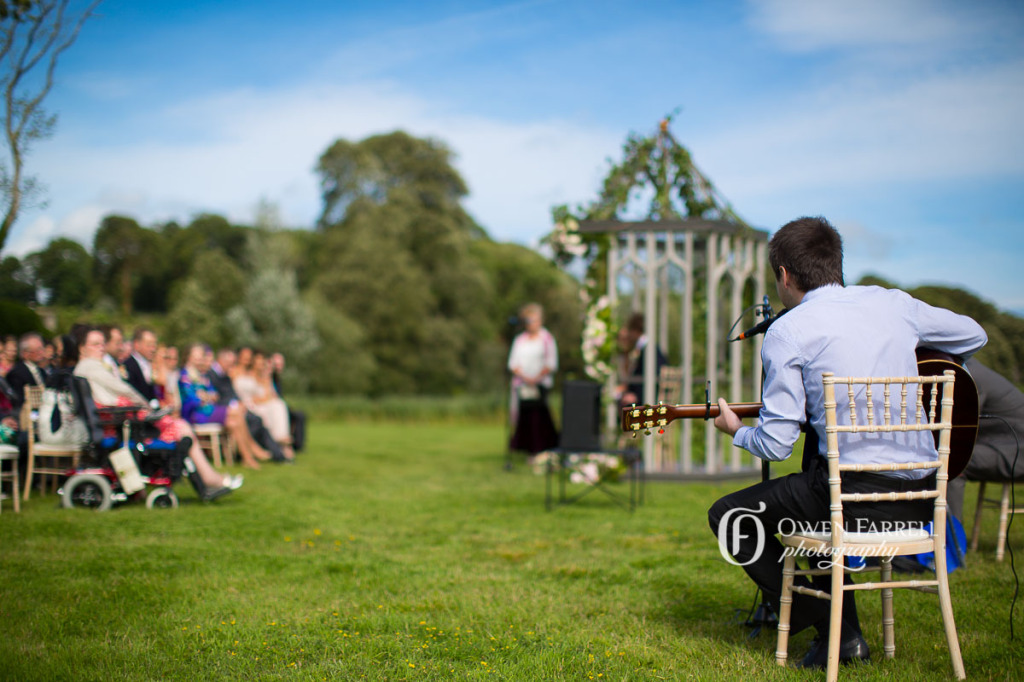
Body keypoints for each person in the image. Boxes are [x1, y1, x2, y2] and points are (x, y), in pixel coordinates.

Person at [707, 217, 987, 670]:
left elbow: (777, 443)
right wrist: (922, 360)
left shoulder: (788, 331)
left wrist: (734, 429)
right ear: (836, 263)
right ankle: (843, 632)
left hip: (849, 501)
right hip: (920, 499)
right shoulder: (893, 304)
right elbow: (974, 334)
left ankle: (831, 625)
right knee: (811, 480)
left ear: (783, 275)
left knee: (732, 516)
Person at [73, 328, 241, 493]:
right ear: (82, 348)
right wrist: (144, 406)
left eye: (102, 343)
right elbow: (123, 392)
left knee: (182, 428)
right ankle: (208, 479)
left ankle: (207, 479)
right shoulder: (92, 367)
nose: (101, 347)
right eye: (95, 344)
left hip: (123, 421)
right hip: (122, 426)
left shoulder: (92, 367)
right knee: (183, 430)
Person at [947, 358, 1024, 521]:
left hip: (1017, 453)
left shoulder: (969, 376)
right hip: (1003, 446)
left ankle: (950, 540)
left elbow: (957, 425)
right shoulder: (966, 367)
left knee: (950, 462)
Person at [179, 343, 271, 470]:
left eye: (201, 357)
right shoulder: (185, 376)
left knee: (234, 423)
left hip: (207, 410)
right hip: (196, 414)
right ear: (189, 357)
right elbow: (192, 400)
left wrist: (206, 396)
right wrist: (205, 396)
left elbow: (213, 394)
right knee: (236, 413)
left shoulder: (201, 375)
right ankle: (250, 452)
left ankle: (247, 456)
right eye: (197, 357)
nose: (200, 360)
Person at [507, 303, 559, 455]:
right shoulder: (520, 340)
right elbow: (513, 363)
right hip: (522, 385)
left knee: (539, 417)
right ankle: (524, 448)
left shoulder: (547, 338)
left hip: (540, 385)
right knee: (524, 418)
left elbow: (551, 363)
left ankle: (542, 448)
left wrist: (536, 378)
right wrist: (525, 377)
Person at [233, 349, 294, 460]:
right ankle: (280, 445)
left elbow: (266, 395)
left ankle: (282, 440)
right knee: (273, 408)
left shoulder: (256, 375)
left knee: (278, 404)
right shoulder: (234, 371)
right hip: (243, 404)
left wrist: (266, 378)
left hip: (255, 404)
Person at [616, 312, 667, 407]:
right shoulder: (650, 348)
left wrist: (636, 396)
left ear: (635, 331)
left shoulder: (648, 351)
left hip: (647, 401)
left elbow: (652, 377)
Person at [5, 332, 47, 411]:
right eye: (38, 350)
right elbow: (18, 401)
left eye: (42, 348)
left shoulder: (42, 371)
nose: (42, 352)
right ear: (25, 353)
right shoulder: (17, 374)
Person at [123, 326, 159, 403]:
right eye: (149, 345)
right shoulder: (128, 366)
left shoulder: (150, 365)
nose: (153, 349)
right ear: (137, 345)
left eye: (154, 345)